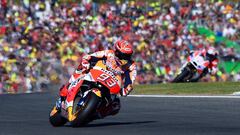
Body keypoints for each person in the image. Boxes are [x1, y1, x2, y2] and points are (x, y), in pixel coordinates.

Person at [56, 39, 137, 119]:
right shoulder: (108, 53)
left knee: (116, 106)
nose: (124, 58)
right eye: (122, 55)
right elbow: (89, 56)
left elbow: (130, 80)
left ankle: (94, 114)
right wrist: (86, 62)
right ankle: (68, 87)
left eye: (127, 56)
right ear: (116, 51)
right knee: (82, 68)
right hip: (97, 72)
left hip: (111, 83)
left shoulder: (131, 66)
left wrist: (127, 88)